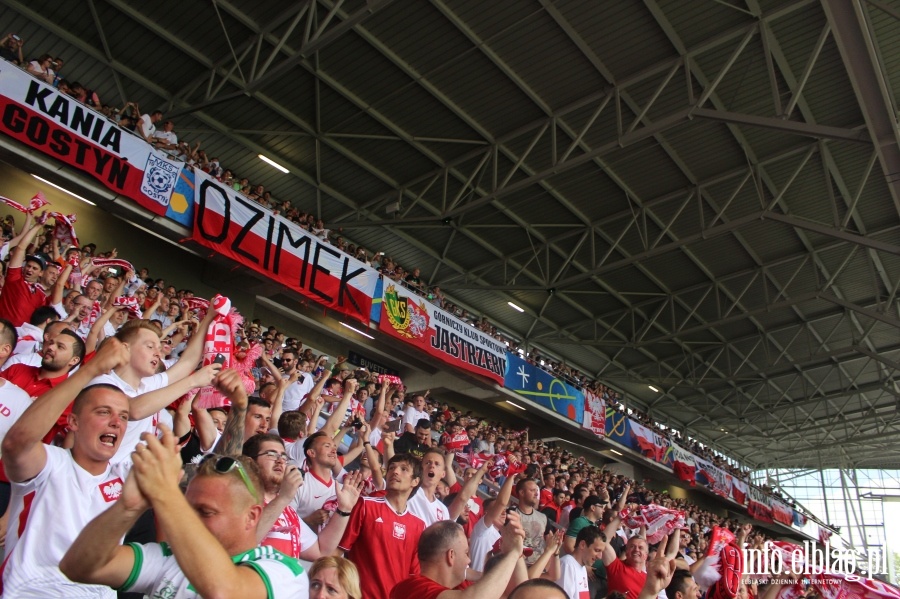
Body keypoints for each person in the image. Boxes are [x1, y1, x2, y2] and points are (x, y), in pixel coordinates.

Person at [60, 421, 309, 597]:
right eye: (188, 509)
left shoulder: (286, 571)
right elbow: (79, 566)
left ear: (251, 516)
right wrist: (128, 506)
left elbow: (225, 592)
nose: (187, 520)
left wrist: (166, 494)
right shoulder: (171, 557)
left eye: (206, 512)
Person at [0, 339, 131, 597]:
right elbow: (17, 443)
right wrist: (90, 370)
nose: (116, 422)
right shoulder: (49, 464)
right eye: (104, 412)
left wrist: (237, 410)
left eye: (124, 416)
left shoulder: (128, 479)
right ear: (73, 422)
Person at [243, 432, 362, 560]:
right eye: (271, 454)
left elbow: (321, 551)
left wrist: (343, 510)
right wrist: (283, 498)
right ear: (250, 462)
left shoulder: (288, 513)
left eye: (284, 456)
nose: (280, 460)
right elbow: (243, 544)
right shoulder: (239, 499)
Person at [338, 453, 427, 599]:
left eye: (404, 469)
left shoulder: (419, 526)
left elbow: (413, 574)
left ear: (415, 481)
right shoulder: (366, 505)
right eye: (392, 468)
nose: (395, 471)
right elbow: (339, 551)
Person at [388, 516, 526, 599]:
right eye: (466, 553)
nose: (469, 561)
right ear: (451, 556)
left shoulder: (458, 587)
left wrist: (517, 551)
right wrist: (512, 554)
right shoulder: (411, 588)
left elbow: (522, 594)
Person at [556, 526, 607, 599]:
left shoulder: (582, 568)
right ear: (582, 544)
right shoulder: (567, 564)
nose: (600, 557)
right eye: (597, 550)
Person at [515, 478, 548, 565]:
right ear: (522, 492)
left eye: (536, 491)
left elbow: (547, 541)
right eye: (532, 490)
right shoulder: (512, 515)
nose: (536, 494)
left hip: (540, 566)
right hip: (520, 566)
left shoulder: (543, 517)